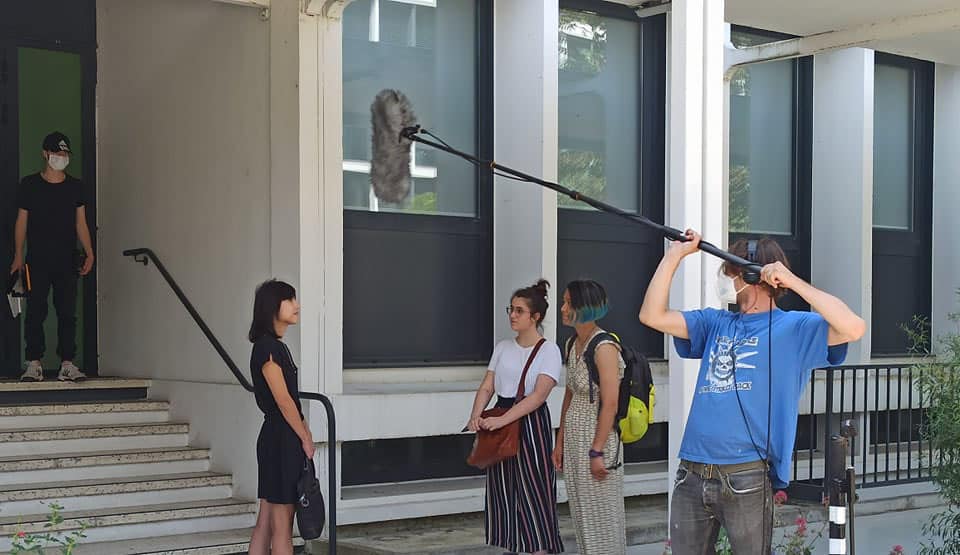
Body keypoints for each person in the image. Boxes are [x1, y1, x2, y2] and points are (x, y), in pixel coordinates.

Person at [638, 231, 866, 554]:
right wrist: (674, 255)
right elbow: (651, 315)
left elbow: (854, 327)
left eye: (731, 273)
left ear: (749, 274)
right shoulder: (714, 322)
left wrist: (792, 281)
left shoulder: (795, 328)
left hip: (746, 477)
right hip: (691, 472)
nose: (727, 280)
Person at [466, 279, 564, 555]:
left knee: (535, 486)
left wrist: (502, 419)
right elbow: (487, 386)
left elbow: (538, 396)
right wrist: (476, 415)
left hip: (530, 422)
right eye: (511, 309)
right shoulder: (502, 347)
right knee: (503, 487)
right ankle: (514, 545)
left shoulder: (549, 350)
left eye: (519, 310)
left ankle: (540, 548)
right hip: (500, 416)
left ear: (536, 317)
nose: (512, 315)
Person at [11, 131, 94, 382]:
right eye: (57, 153)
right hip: (37, 259)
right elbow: (21, 222)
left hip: (67, 260)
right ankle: (33, 363)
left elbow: (81, 222)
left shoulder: (75, 187)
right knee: (36, 310)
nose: (61, 158)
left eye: (65, 154)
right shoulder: (30, 185)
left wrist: (89, 252)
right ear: (45, 154)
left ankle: (67, 364)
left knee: (67, 312)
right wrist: (18, 255)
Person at [554, 279, 627, 555]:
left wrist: (597, 451)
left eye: (568, 303)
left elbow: (610, 402)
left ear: (584, 308)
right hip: (576, 439)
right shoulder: (573, 344)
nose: (562, 308)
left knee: (603, 519)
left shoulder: (604, 347)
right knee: (583, 516)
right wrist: (560, 441)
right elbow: (570, 393)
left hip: (599, 439)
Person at [247, 279, 314, 555]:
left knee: (266, 520)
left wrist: (304, 432)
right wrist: (305, 438)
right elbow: (284, 401)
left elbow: (290, 402)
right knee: (282, 525)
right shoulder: (268, 349)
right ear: (273, 306)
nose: (296, 305)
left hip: (277, 437)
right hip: (281, 440)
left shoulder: (275, 346)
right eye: (290, 300)